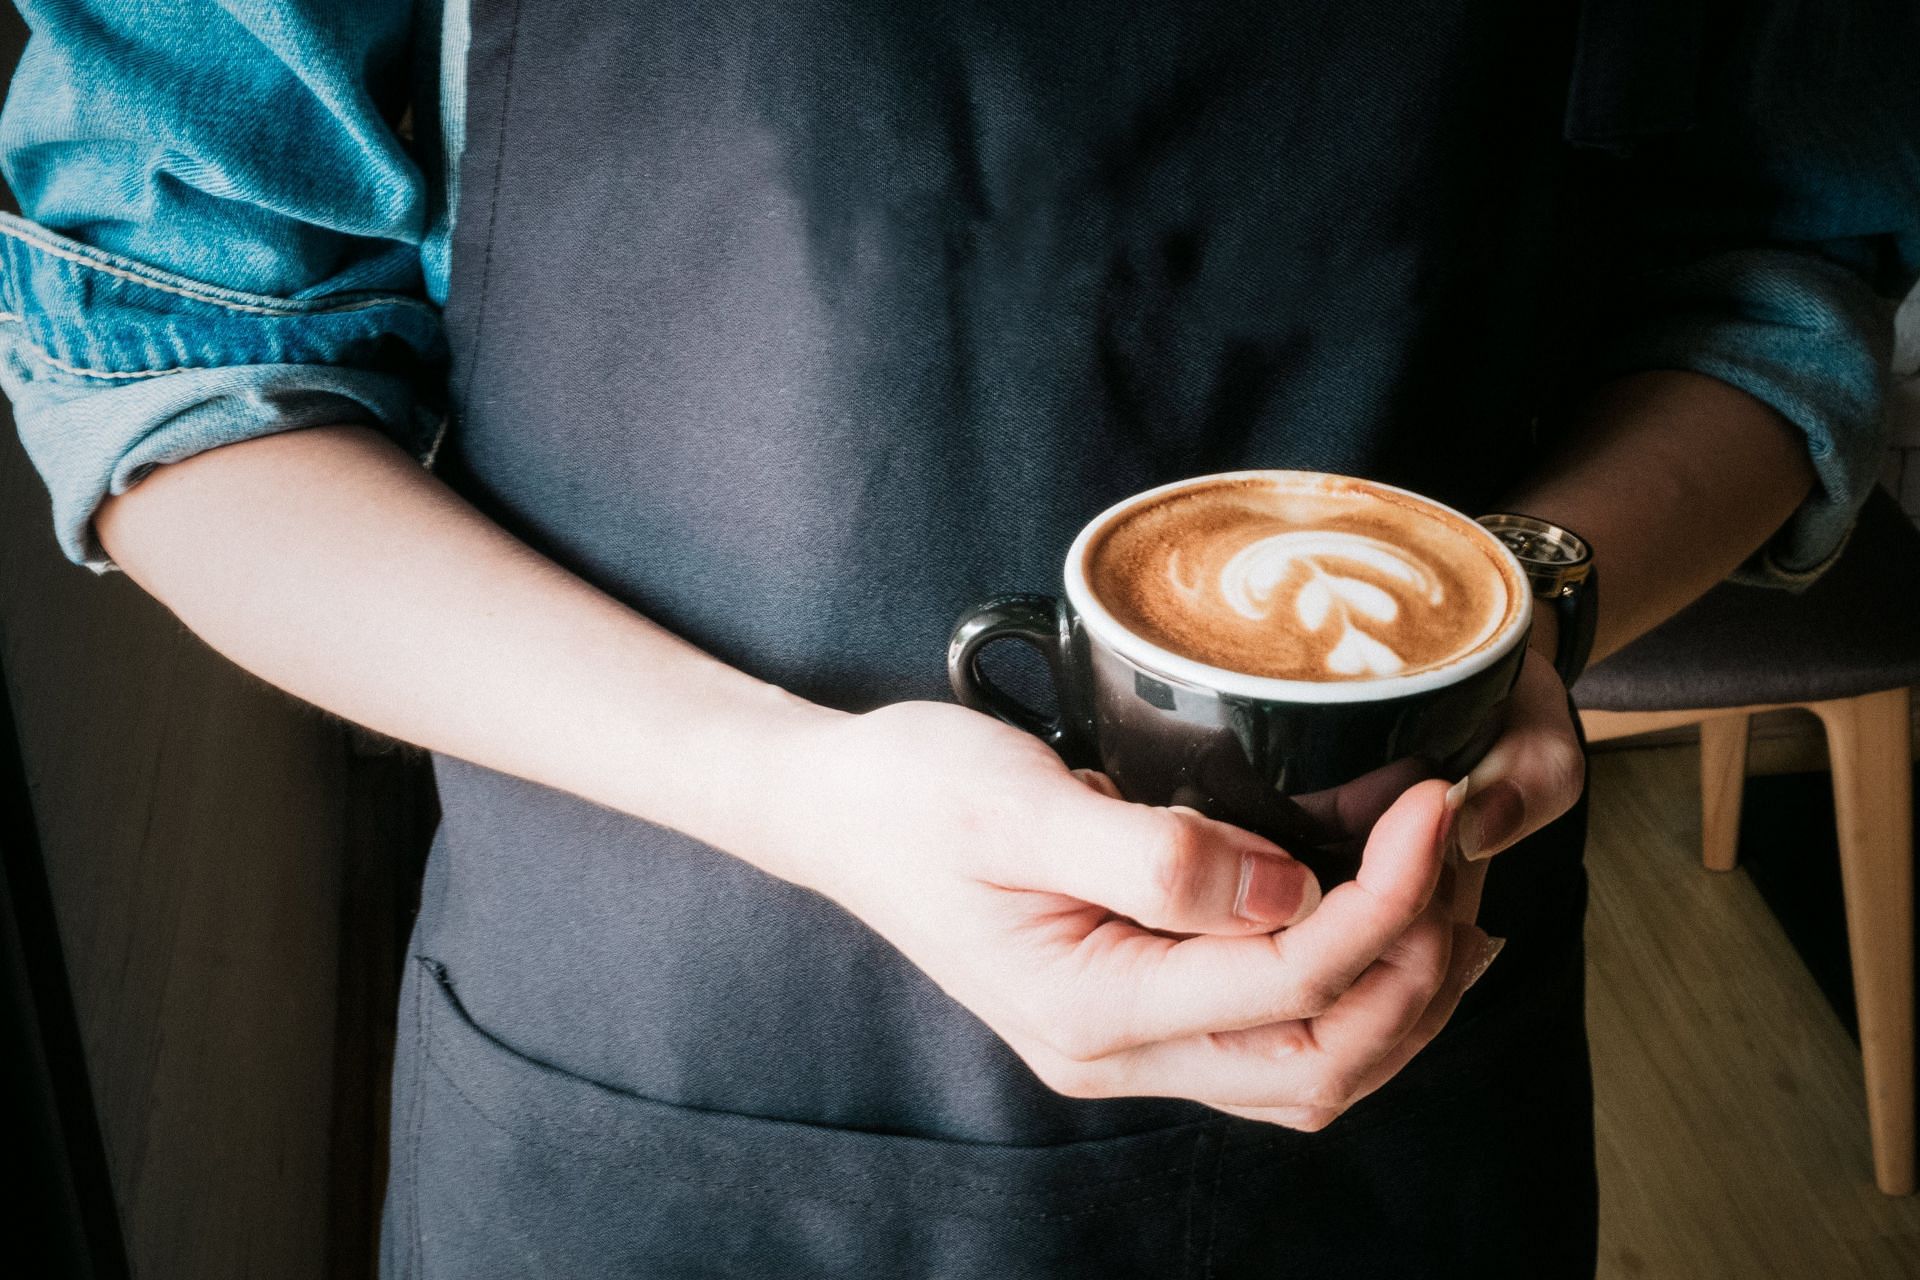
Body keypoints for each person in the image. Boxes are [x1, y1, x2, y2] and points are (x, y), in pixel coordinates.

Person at [2, 1, 1914, 1275]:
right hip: (648, 1066)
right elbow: (186, 365)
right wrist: (790, 788)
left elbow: (1773, 266)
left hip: (1386, 1055)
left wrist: (1530, 615)